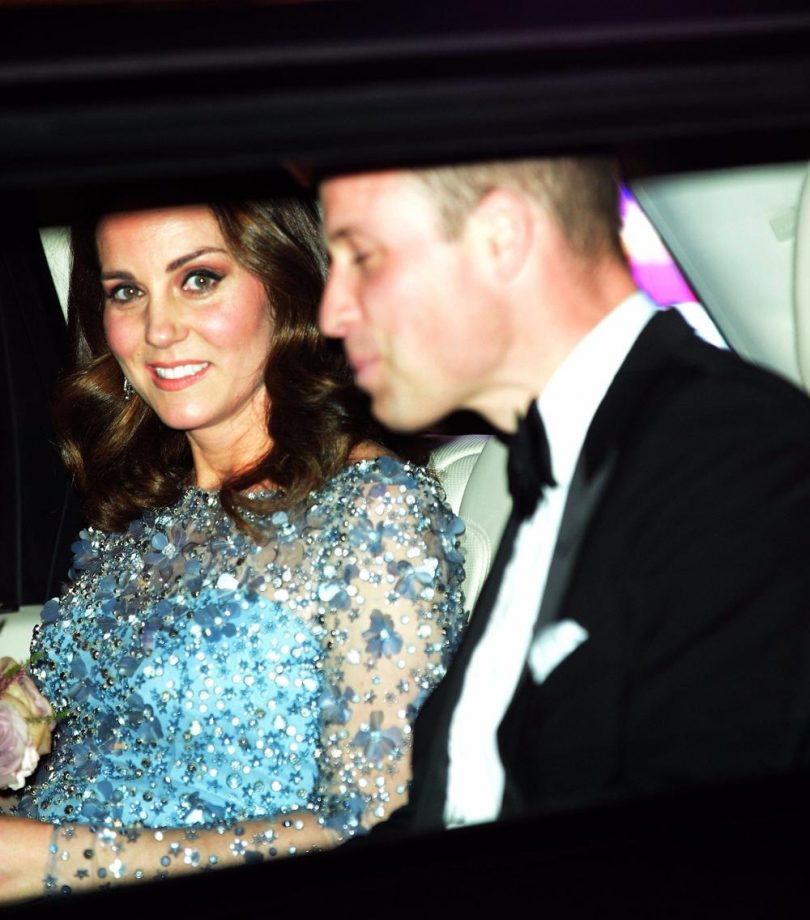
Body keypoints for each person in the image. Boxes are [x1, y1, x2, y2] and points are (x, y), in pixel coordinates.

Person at [317, 155, 810, 833]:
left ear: (501, 238)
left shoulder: (739, 457)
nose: (332, 312)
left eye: (363, 257)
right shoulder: (553, 467)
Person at [0, 188, 466, 903]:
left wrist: (56, 860)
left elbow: (377, 823)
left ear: (286, 285)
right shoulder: (141, 516)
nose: (158, 330)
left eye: (198, 279)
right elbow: (83, 735)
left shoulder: (374, 508)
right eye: (126, 292)